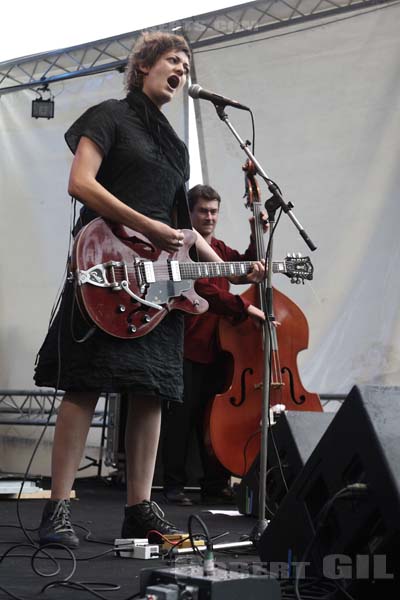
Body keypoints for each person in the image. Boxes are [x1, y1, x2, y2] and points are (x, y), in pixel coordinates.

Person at [34, 32, 264, 548]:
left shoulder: (178, 148)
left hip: (159, 285)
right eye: (171, 59)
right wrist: (149, 227)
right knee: (86, 384)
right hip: (106, 267)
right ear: (143, 66)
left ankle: (140, 508)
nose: (181, 68)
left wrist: (246, 266)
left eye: (185, 62)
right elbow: (81, 183)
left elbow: (184, 233)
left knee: (153, 391)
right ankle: (59, 507)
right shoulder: (108, 116)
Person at [162, 184, 266, 506]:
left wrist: (257, 235)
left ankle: (216, 482)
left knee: (213, 418)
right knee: (180, 420)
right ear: (190, 214)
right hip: (188, 346)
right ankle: (174, 487)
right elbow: (204, 288)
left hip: (220, 349)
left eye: (214, 211)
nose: (209, 217)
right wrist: (245, 308)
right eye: (203, 211)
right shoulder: (183, 250)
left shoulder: (218, 248)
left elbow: (242, 269)